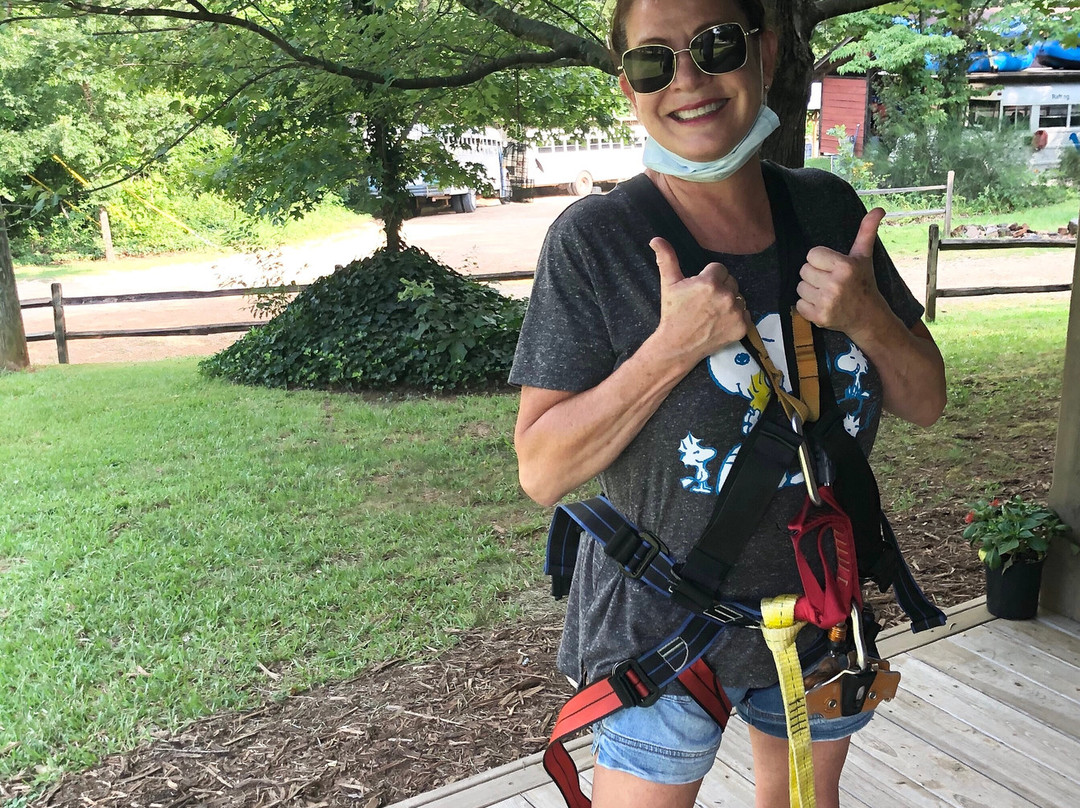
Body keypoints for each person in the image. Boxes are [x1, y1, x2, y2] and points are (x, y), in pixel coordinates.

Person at [508, 0, 947, 805]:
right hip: (662, 632)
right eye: (653, 61)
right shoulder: (598, 240)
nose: (688, 79)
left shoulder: (826, 210)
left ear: (765, 51)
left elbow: (925, 399)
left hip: (819, 611)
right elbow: (542, 468)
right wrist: (669, 350)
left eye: (715, 45)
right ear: (627, 85)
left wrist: (868, 318)